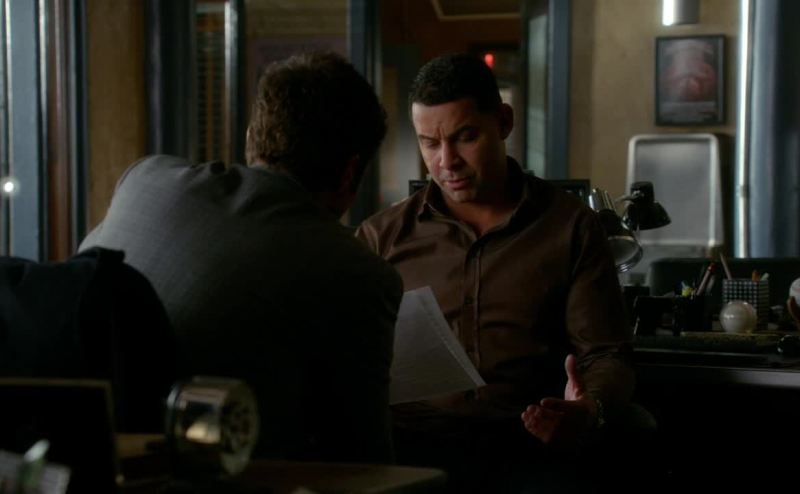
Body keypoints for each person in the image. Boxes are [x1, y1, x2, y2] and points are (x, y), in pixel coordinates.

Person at [80, 51, 402, 463]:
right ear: (349, 172)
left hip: (72, 450)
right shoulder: (357, 274)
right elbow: (364, 459)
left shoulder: (146, 179)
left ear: (253, 135)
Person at [356, 53, 635, 492]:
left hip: (526, 443)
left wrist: (590, 409)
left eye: (465, 137)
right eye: (430, 143)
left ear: (503, 122)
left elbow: (605, 354)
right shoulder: (381, 236)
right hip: (409, 447)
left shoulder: (569, 226)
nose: (447, 161)